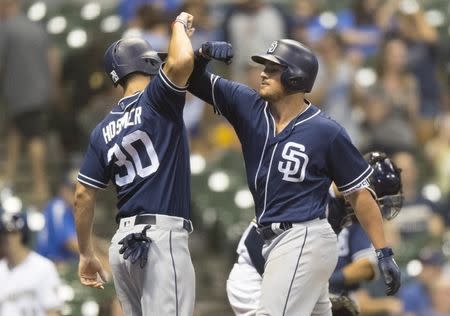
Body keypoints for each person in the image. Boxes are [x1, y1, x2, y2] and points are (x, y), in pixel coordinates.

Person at [188, 39, 401, 315]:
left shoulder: (326, 131)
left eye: (274, 68)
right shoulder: (247, 104)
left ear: (295, 77)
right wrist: (202, 56)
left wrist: (383, 251)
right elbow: (191, 79)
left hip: (304, 236)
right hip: (269, 239)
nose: (263, 72)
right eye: (265, 66)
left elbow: (359, 194)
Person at [73, 12, 196, 316]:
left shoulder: (102, 129)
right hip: (160, 240)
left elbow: (82, 196)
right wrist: (178, 26)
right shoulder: (157, 98)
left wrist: (86, 253)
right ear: (149, 63)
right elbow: (181, 62)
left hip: (122, 246)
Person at [226, 151, 404, 315]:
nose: (376, 212)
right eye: (376, 203)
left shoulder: (340, 209)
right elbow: (255, 245)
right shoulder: (313, 196)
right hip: (255, 281)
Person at [0, 0, 58, 206]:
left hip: (19, 92)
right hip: (39, 91)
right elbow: (53, 57)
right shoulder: (36, 28)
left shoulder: (6, 28)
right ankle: (8, 177)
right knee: (16, 131)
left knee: (33, 137)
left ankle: (40, 186)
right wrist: (52, 86)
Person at [0, 211, 63, 315]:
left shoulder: (43, 267)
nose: (8, 239)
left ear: (23, 234)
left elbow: (53, 311)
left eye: (13, 233)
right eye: (4, 234)